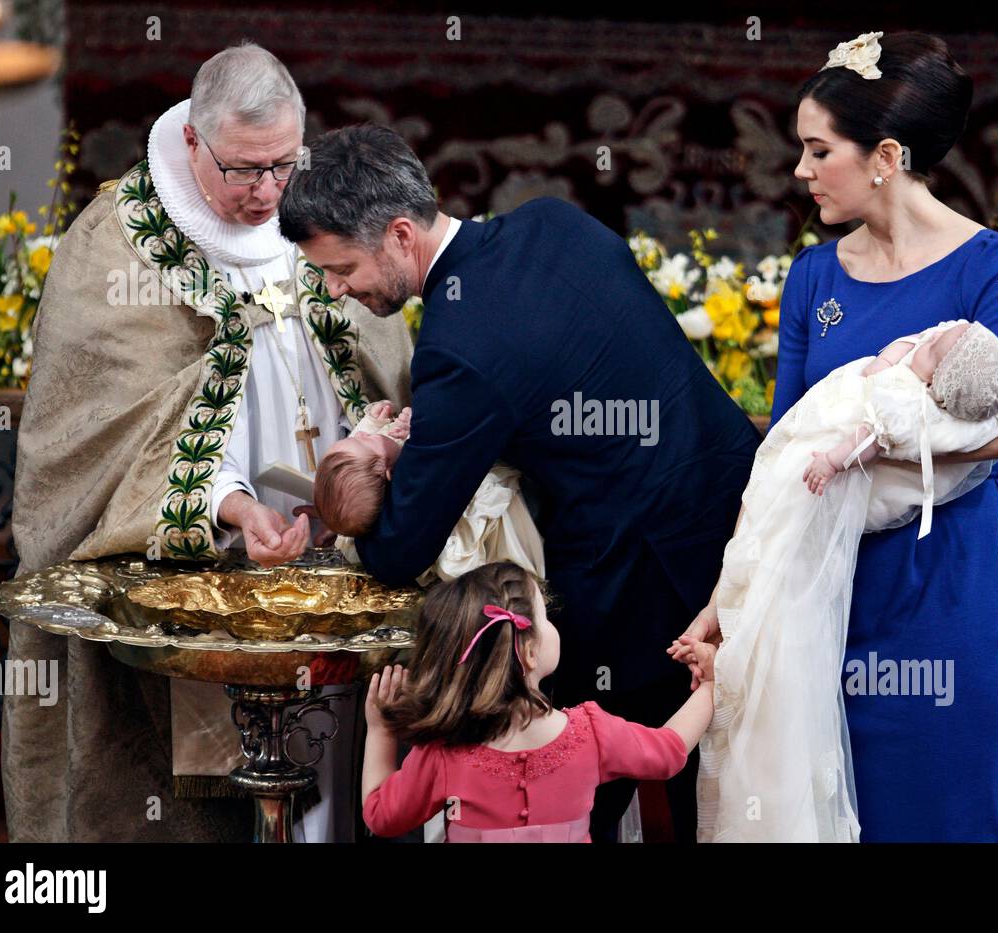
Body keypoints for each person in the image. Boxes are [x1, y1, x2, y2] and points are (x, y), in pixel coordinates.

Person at [279, 125, 761, 841]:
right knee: (721, 790)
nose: (336, 288)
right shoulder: (553, 219)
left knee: (575, 794)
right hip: (741, 530)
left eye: (342, 266)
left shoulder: (462, 348)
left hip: (639, 586)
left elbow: (402, 545)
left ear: (401, 235)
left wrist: (357, 476)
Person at [5, 43, 413, 842]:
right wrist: (225, 503)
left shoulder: (319, 214)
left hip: (333, 563)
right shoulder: (116, 242)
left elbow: (378, 361)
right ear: (192, 140)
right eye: (244, 170)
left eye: (284, 166)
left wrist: (366, 460)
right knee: (197, 808)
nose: (267, 192)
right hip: (199, 579)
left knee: (332, 786)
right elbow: (96, 436)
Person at [676, 31, 998, 842]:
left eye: (818, 149)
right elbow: (782, 454)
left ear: (884, 155)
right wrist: (724, 603)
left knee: (936, 816)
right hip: (821, 595)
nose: (801, 169)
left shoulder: (993, 263)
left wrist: (885, 440)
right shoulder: (814, 275)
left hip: (942, 594)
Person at [673, 319, 998, 841]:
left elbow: (876, 436)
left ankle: (733, 665)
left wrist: (833, 460)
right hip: (786, 483)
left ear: (937, 382)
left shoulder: (909, 407)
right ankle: (730, 650)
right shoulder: (919, 348)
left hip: (835, 516)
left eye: (936, 351)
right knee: (767, 575)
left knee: (783, 609)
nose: (930, 339)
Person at [361, 562, 713, 842]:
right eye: (546, 616)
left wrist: (380, 732)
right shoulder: (591, 732)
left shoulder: (443, 753)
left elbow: (382, 817)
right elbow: (670, 751)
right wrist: (712, 685)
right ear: (530, 653)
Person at [316, 402, 546, 586]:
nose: (363, 434)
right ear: (389, 473)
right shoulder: (413, 472)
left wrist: (374, 422)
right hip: (495, 507)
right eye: (368, 438)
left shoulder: (375, 472)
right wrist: (419, 429)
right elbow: (443, 445)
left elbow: (359, 453)